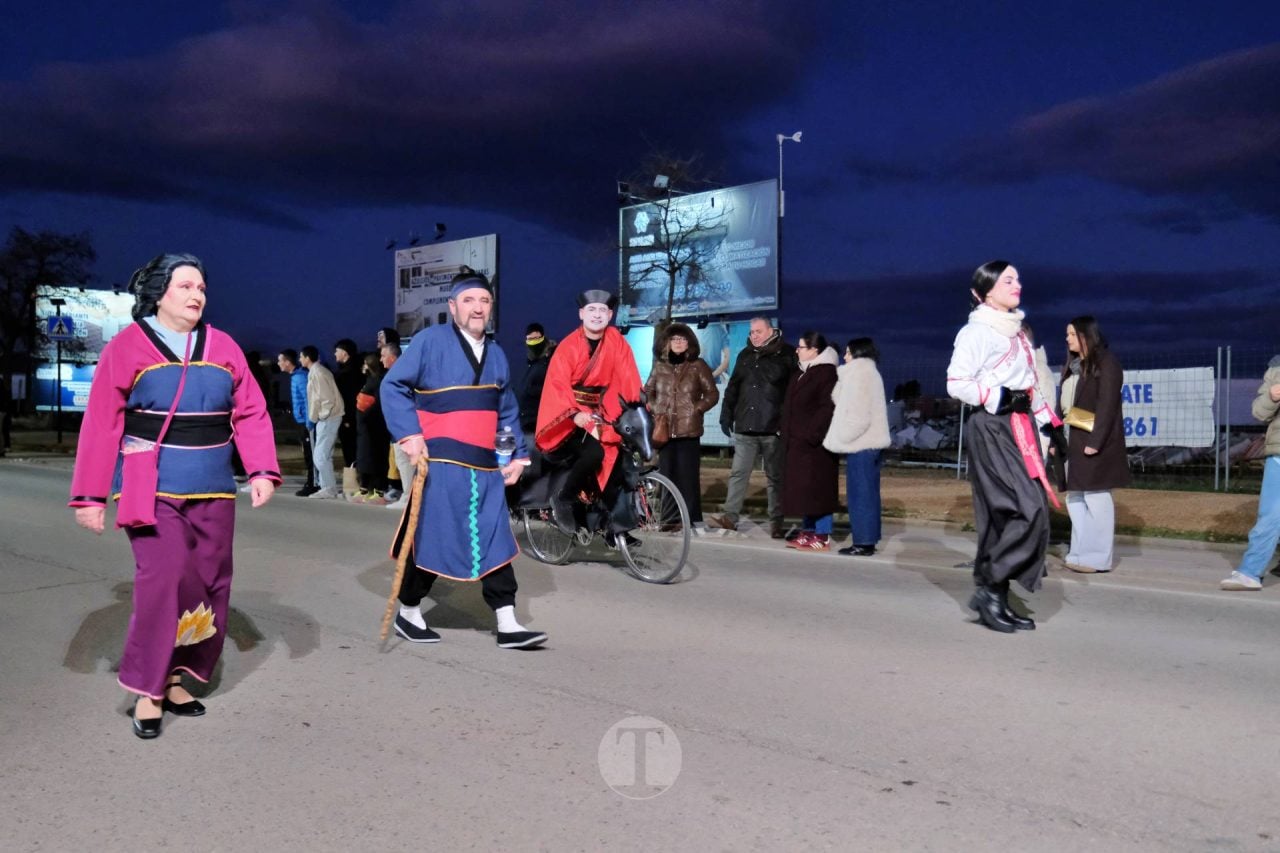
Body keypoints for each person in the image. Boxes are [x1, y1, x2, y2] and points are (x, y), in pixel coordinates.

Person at [69, 253, 280, 739]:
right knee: (163, 580)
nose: (196, 295)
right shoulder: (127, 347)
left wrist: (262, 469)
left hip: (213, 486)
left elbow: (250, 412)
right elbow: (103, 422)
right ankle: (148, 688)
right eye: (185, 286)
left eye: (202, 288)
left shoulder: (223, 346)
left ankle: (178, 675)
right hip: (151, 487)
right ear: (160, 292)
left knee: (207, 583)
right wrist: (90, 496)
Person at [381, 270, 546, 649]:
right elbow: (394, 386)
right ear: (453, 307)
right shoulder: (428, 342)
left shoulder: (498, 354)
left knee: (495, 537)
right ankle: (408, 613)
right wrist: (410, 435)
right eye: (469, 301)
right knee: (433, 538)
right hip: (440, 464)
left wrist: (517, 456)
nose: (477, 308)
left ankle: (507, 623)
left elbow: (506, 409)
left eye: (484, 301)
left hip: (486, 466)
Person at [946, 260, 1064, 633]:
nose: (1017, 284)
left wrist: (1052, 426)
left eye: (1018, 278)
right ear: (986, 291)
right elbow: (956, 383)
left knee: (1017, 512)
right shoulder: (976, 332)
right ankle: (991, 586)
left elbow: (1030, 387)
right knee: (1027, 509)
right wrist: (998, 397)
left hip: (1021, 425)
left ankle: (994, 594)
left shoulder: (1016, 333)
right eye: (1008, 280)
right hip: (993, 426)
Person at [535, 288, 642, 537]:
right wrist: (574, 414)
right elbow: (557, 384)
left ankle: (613, 528)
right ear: (581, 313)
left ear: (611, 314)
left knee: (618, 453)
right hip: (567, 416)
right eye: (591, 310)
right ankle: (565, 498)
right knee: (594, 452)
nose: (597, 315)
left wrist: (635, 408)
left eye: (602, 310)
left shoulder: (616, 341)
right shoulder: (568, 347)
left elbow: (627, 377)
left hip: (598, 410)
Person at [707, 317, 796, 538]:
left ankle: (777, 522)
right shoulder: (745, 355)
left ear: (770, 331)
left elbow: (793, 392)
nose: (753, 335)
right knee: (738, 473)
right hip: (745, 426)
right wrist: (726, 416)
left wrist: (786, 421)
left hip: (773, 428)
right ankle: (730, 518)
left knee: (775, 477)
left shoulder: (786, 354)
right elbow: (733, 388)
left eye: (758, 331)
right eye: (751, 332)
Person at [1057, 316, 1129, 573]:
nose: (1067, 339)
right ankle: (1079, 552)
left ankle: (1098, 558)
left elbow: (1107, 407)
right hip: (1073, 441)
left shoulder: (1107, 363)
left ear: (1086, 335)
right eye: (1067, 334)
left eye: (1072, 334)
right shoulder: (1074, 365)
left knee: (1097, 497)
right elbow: (1063, 406)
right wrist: (1056, 440)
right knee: (1075, 499)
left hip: (1093, 442)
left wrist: (1096, 442)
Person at [643, 322, 719, 526]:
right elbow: (647, 391)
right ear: (666, 343)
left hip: (689, 430)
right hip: (664, 430)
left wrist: (697, 409)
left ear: (689, 343)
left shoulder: (698, 365)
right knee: (667, 477)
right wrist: (655, 407)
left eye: (682, 339)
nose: (678, 342)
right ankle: (669, 520)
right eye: (674, 339)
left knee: (688, 477)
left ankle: (692, 519)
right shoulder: (660, 366)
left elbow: (712, 393)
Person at [823, 337, 891, 556]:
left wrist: (844, 436)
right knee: (866, 493)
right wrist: (843, 376)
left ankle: (863, 542)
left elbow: (860, 416)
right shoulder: (862, 373)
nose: (844, 356)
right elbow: (838, 399)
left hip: (863, 443)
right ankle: (867, 538)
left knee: (861, 494)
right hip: (868, 444)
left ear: (858, 353)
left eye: (848, 352)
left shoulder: (862, 374)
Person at [1222, 357, 1280, 591]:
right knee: (1270, 516)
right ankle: (1250, 572)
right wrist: (1272, 397)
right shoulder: (1276, 368)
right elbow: (1258, 412)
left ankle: (1250, 571)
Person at [780, 332, 840, 550]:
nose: (797, 350)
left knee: (819, 490)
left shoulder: (826, 373)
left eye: (801, 347)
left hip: (816, 445)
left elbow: (827, 407)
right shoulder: (801, 372)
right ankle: (808, 530)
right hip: (797, 443)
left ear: (815, 350)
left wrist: (811, 433)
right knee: (805, 490)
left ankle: (822, 534)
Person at [299, 345, 343, 498]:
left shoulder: (318, 373)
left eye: (301, 357)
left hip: (329, 417)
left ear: (307, 358)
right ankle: (327, 487)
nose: (300, 360)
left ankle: (329, 488)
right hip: (328, 417)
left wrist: (317, 417)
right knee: (324, 455)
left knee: (319, 455)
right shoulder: (317, 372)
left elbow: (325, 399)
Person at [351, 352, 392, 504]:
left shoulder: (379, 382)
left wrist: (365, 416)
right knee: (364, 458)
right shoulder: (370, 381)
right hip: (365, 427)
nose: (363, 367)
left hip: (374, 426)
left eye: (365, 364)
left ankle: (378, 491)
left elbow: (378, 405)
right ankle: (364, 490)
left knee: (375, 458)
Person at [379, 342, 415, 510]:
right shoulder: (399, 373)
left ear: (392, 357)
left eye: (383, 355)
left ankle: (408, 497)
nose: (381, 360)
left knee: (405, 462)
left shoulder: (401, 374)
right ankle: (409, 495)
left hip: (403, 427)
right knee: (403, 462)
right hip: (398, 426)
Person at [277, 349, 317, 496]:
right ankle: (312, 482)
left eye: (280, 360)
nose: (278, 363)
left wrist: (309, 422)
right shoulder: (296, 376)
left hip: (306, 422)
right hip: (302, 421)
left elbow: (307, 400)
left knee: (310, 453)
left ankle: (312, 483)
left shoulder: (300, 377)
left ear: (287, 362)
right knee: (307, 452)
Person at [518, 322, 555, 435]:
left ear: (543, 337)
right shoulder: (533, 363)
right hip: (528, 424)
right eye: (530, 339)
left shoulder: (551, 361)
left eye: (537, 339)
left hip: (540, 425)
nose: (534, 343)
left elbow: (552, 390)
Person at [333, 338, 362, 469]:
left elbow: (349, 398)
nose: (335, 354)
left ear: (345, 353)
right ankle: (353, 484)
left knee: (350, 450)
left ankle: (353, 484)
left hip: (349, 418)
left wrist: (347, 418)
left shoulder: (348, 374)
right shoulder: (353, 371)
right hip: (351, 416)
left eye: (337, 351)